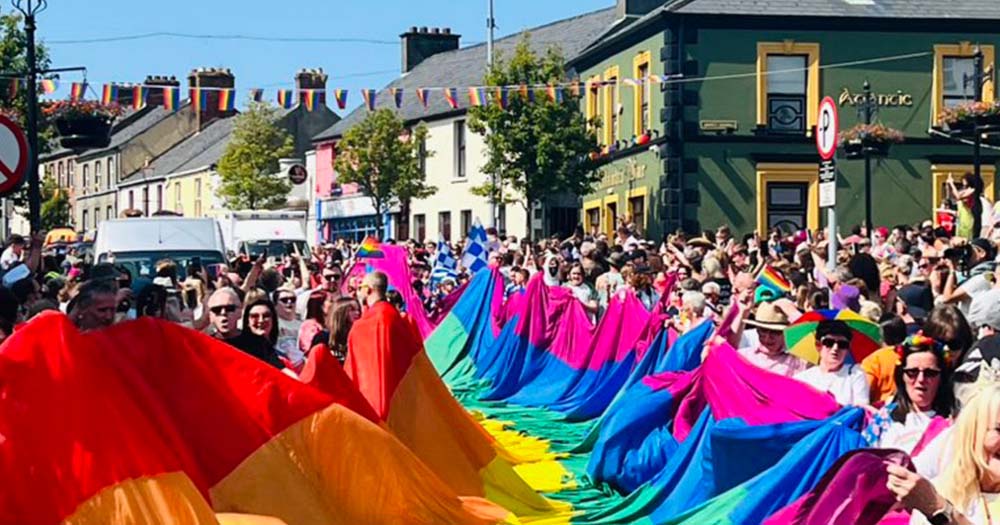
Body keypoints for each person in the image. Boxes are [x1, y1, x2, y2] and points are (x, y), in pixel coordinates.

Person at [887, 383, 1000, 525]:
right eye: (999, 430)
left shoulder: (932, 499)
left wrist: (939, 509)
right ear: (973, 432)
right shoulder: (938, 490)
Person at [868, 334, 954, 454]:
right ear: (901, 376)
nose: (921, 379)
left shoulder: (956, 421)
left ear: (942, 378)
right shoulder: (884, 418)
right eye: (912, 372)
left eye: (930, 373)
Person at [794, 320, 870, 405]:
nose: (835, 348)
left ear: (848, 349)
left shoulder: (855, 374)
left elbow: (862, 407)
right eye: (829, 343)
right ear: (818, 345)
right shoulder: (802, 379)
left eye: (842, 344)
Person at [207, 288, 283, 369]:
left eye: (229, 309)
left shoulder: (257, 343)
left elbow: (281, 370)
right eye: (216, 310)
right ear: (210, 316)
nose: (223, 313)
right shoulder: (204, 346)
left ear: (240, 312)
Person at [738, 301, 810, 377]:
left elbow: (813, 337)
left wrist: (792, 312)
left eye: (775, 332)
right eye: (763, 330)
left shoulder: (796, 362)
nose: (767, 337)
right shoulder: (743, 356)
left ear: (785, 333)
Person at [862, 315, 911, 403]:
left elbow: (864, 392)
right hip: (909, 408)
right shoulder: (912, 355)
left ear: (881, 335)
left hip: (880, 411)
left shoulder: (874, 360)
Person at [311, 296, 362, 364]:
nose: (357, 313)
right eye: (352, 310)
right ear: (340, 312)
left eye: (358, 309)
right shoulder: (322, 338)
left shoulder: (359, 337)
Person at [272, 287, 304, 368]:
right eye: (284, 300)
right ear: (275, 305)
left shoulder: (303, 324)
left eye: (293, 299)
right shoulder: (272, 324)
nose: (289, 302)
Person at [948, 171, 985, 240]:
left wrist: (952, 184)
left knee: (967, 237)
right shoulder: (965, 190)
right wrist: (950, 184)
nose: (963, 181)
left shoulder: (972, 190)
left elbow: (958, 196)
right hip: (961, 217)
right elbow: (955, 194)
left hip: (968, 216)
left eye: (965, 179)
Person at [298, 291, 328, 356]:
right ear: (321, 306)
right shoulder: (309, 325)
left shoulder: (326, 324)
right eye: (330, 301)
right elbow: (308, 348)